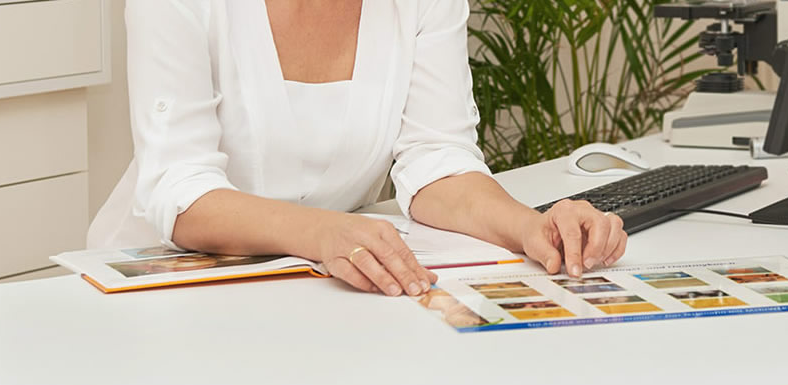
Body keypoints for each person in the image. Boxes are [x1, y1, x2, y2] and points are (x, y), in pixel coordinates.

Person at [90, 0, 627, 297]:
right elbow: (181, 190)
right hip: (165, 285)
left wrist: (531, 227)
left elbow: (435, 157)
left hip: (322, 288)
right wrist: (324, 233)